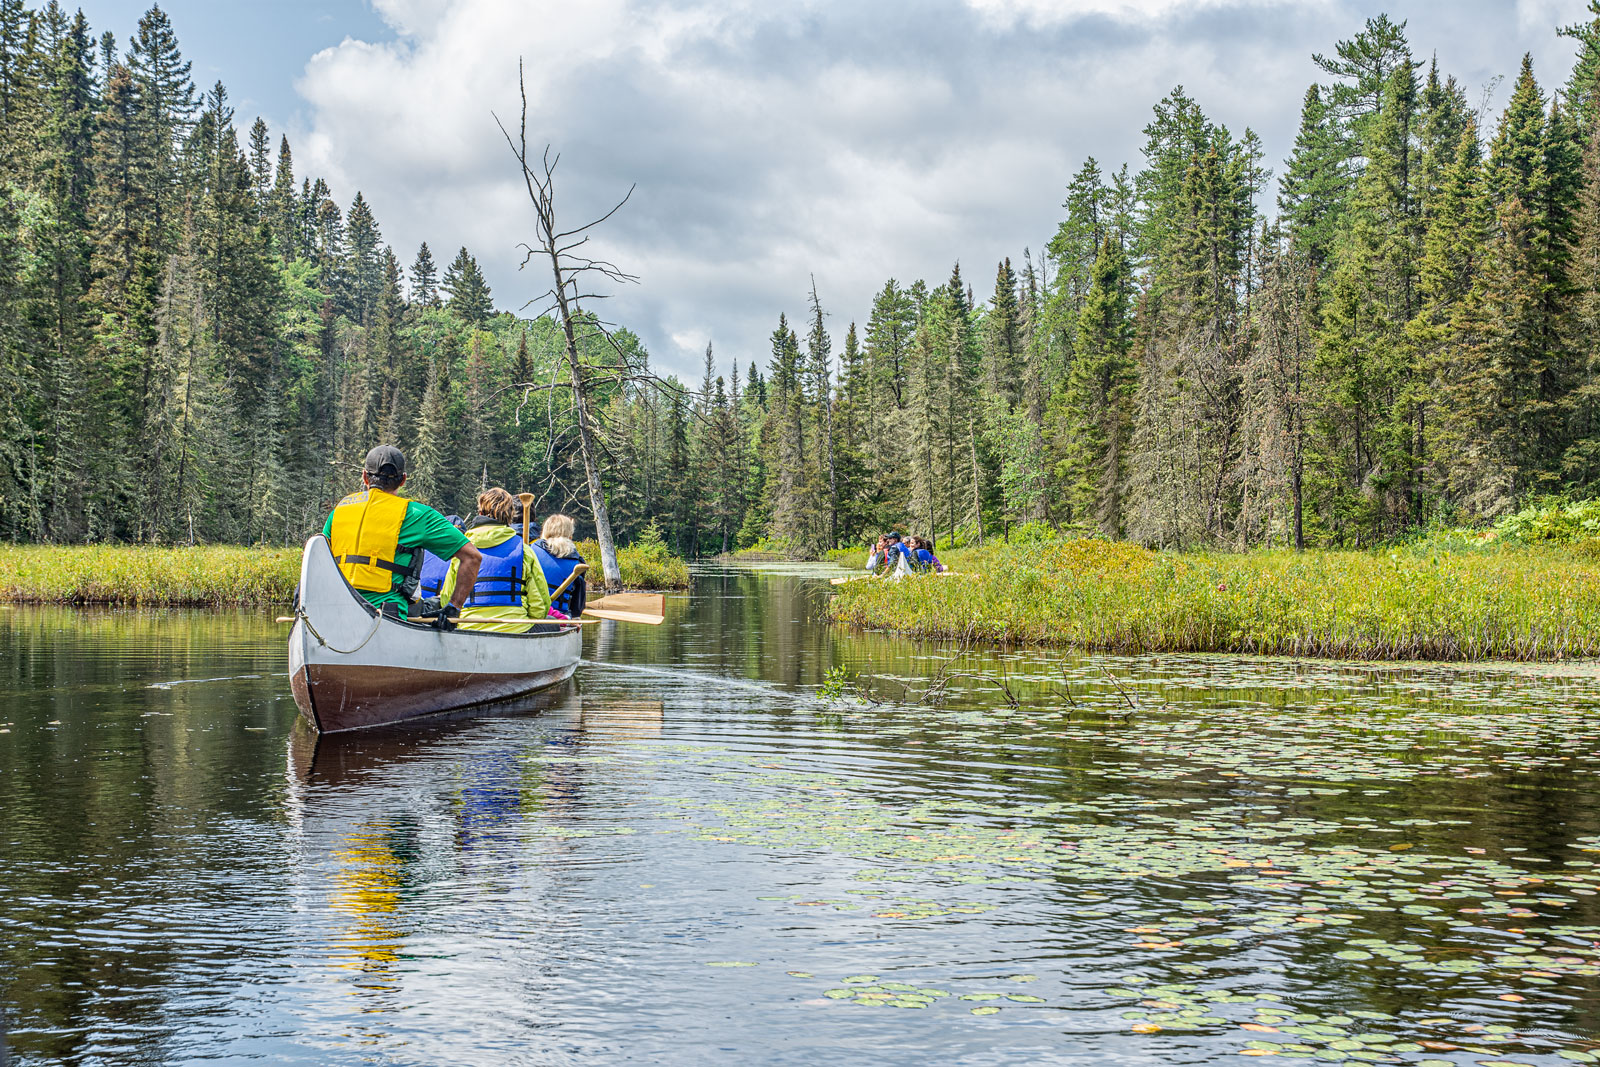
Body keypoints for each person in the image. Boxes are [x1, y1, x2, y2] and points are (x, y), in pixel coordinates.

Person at [323, 445, 482, 628]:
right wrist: (453, 608)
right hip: (387, 616)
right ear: (403, 480)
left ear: (365, 477)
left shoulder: (340, 511)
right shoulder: (417, 514)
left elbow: (316, 557)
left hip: (335, 612)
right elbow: (473, 557)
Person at [434, 488, 555, 634]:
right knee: (553, 624)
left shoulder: (463, 550)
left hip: (468, 626)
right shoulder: (524, 550)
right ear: (510, 516)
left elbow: (447, 597)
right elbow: (540, 605)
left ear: (479, 513)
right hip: (516, 628)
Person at [531, 513, 588, 618]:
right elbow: (577, 609)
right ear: (570, 535)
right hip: (560, 617)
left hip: (531, 613)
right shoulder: (578, 563)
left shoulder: (530, 551)